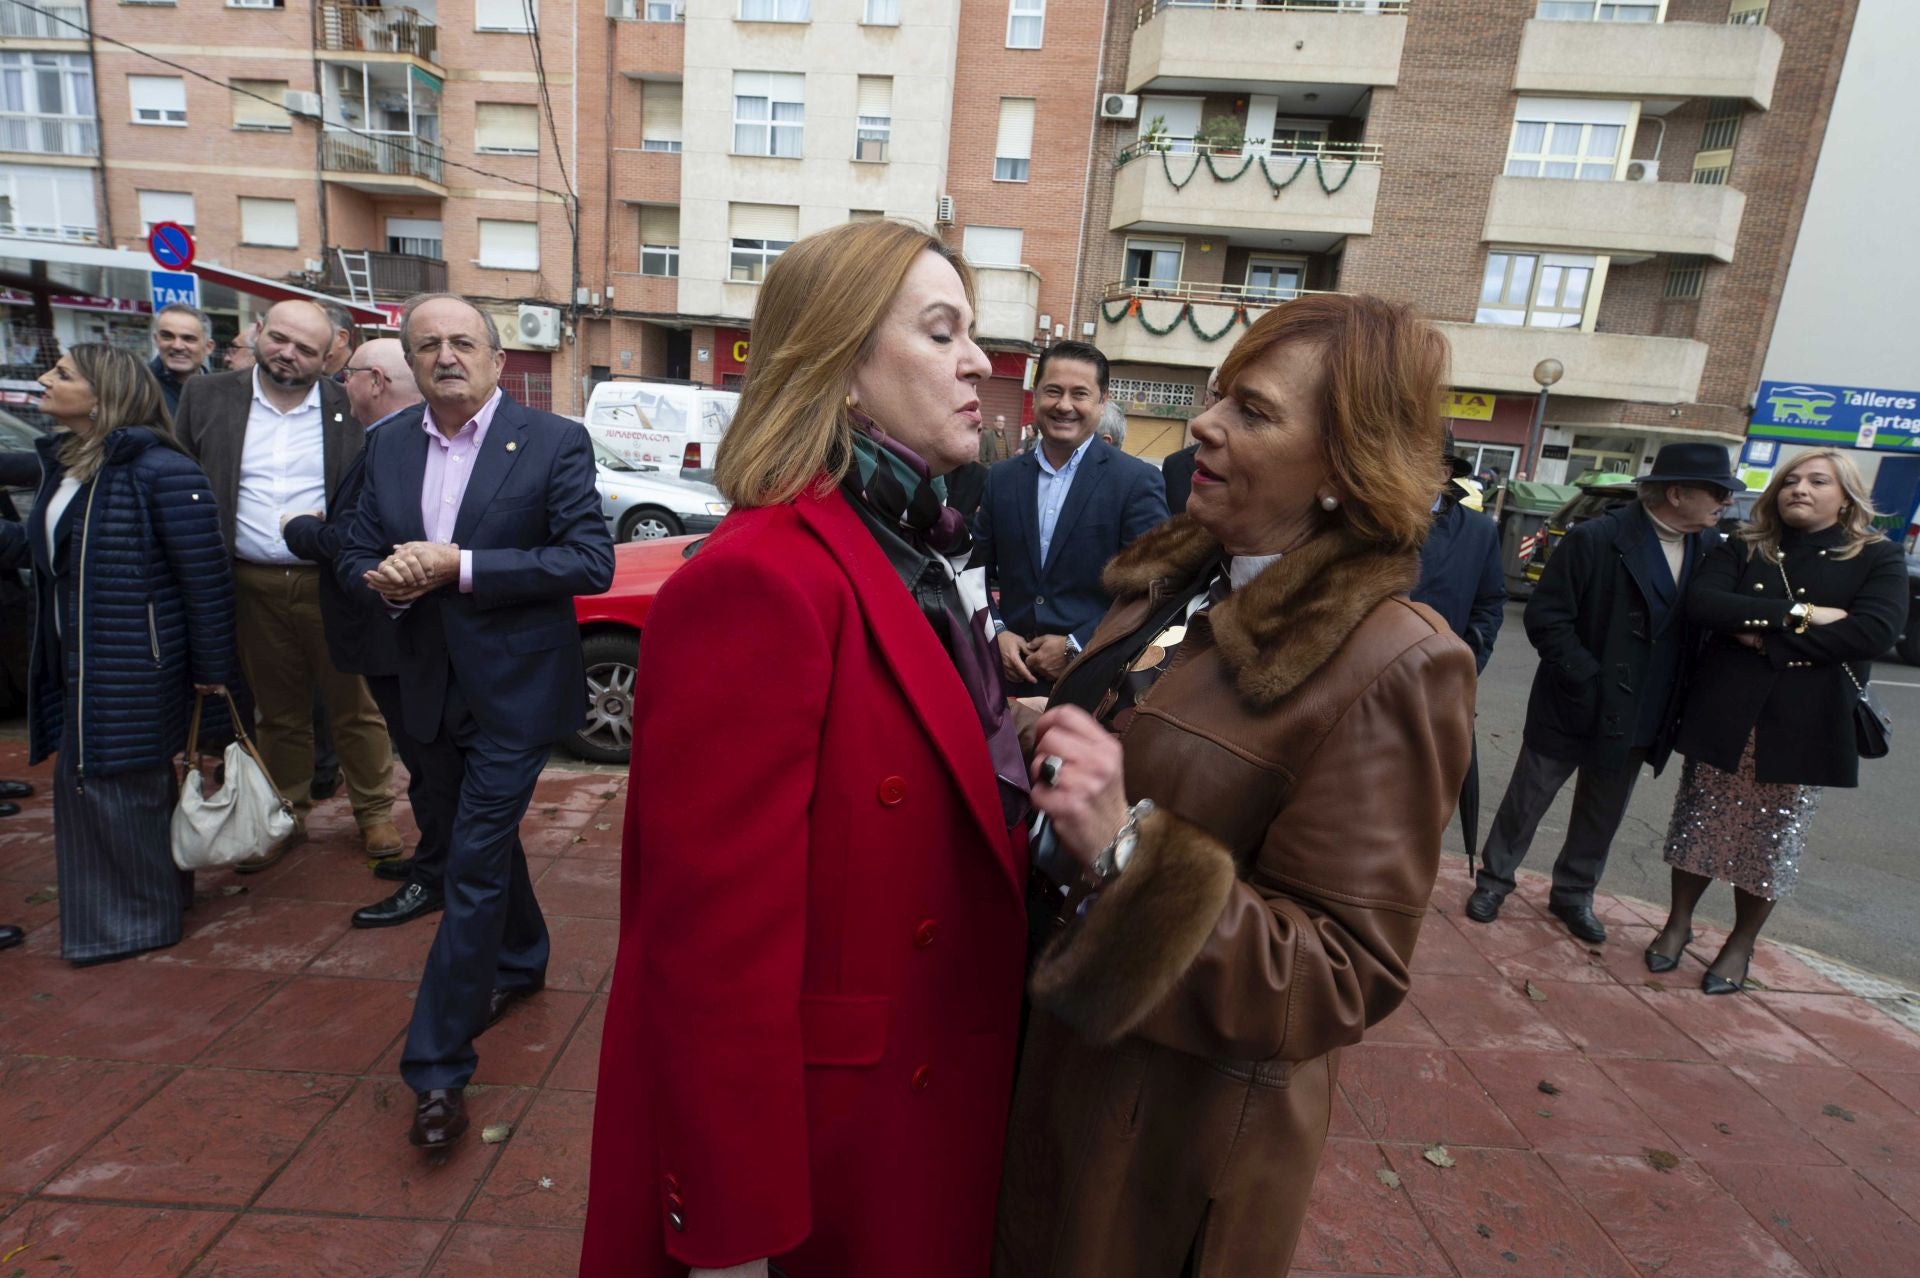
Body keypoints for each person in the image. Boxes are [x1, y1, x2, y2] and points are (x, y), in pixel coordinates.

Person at [581, 221, 1032, 1278]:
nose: (980, 362)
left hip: (918, 1090)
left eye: (975, 332)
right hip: (826, 1153)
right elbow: (709, 955)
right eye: (941, 331)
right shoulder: (763, 577)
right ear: (840, 369)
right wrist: (734, 1241)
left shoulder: (914, 535)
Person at [991, 295, 1476, 1277]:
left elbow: (1346, 973)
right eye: (1219, 397)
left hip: (1161, 1147)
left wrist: (1128, 851)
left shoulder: (1395, 663)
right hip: (1048, 1079)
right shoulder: (1181, 577)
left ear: (1345, 466)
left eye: (1252, 411)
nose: (1206, 423)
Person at [338, 292, 612, 1151]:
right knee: (475, 838)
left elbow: (588, 560)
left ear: (498, 360)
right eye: (428, 345)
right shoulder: (383, 445)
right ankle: (522, 959)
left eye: (463, 342)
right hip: (422, 683)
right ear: (408, 366)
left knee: (470, 861)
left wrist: (460, 567)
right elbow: (344, 546)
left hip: (517, 690)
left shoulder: (553, 441)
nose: (446, 356)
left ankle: (436, 1070)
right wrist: (375, 574)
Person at [0, 345, 234, 964]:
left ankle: (134, 924)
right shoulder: (69, 465)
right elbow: (47, 555)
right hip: (74, 659)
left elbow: (205, 580)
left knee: (119, 788)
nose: (46, 380)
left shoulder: (162, 469)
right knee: (99, 785)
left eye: (63, 374)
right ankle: (136, 912)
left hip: (136, 666)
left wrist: (213, 680)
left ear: (102, 395)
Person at [1646, 451, 1903, 993]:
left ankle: (1740, 944)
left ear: (1847, 495)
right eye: (1789, 480)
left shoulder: (1876, 555)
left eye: (1816, 481)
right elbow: (1705, 603)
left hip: (1806, 722)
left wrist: (1764, 641)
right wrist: (1799, 617)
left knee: (1771, 842)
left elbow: (1874, 632)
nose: (1799, 489)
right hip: (1729, 711)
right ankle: (1677, 924)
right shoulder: (1746, 543)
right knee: (1698, 824)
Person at [1466, 443, 1739, 943]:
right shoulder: (1596, 538)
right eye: (1718, 492)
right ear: (1677, 494)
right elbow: (1547, 616)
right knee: (1529, 798)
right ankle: (1493, 882)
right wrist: (1586, 678)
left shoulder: (1713, 549)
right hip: (1574, 699)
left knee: (1604, 810)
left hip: (1644, 710)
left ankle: (1573, 894)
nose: (1725, 501)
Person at [174, 299, 401, 869]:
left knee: (356, 705)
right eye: (279, 338)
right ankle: (286, 813)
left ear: (331, 356)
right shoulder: (208, 397)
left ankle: (374, 813)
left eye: (305, 349)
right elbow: (183, 480)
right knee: (276, 711)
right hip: (248, 582)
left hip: (332, 582)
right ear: (257, 332)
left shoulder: (346, 405)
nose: (287, 354)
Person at [282, 338, 448, 929]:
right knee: (424, 760)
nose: (341, 385)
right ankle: (436, 861)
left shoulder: (399, 445)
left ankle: (437, 875)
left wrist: (303, 530)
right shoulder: (394, 440)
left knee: (427, 763)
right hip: (393, 634)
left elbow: (365, 544)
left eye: (347, 375)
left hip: (394, 632)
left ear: (374, 380)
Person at [971, 341, 1168, 694]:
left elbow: (1152, 588)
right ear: (1036, 395)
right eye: (1053, 391)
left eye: (1079, 394)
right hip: (1006, 680)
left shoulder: (1136, 481)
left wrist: (1077, 644)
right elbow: (974, 573)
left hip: (1092, 683)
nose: (1064, 405)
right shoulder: (1002, 478)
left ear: (1101, 400)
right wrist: (996, 632)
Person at [1413, 435, 1506, 852]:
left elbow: (1489, 604)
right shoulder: (1365, 517)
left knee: (1425, 803)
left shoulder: (1479, 532)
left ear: (1445, 473)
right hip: (1360, 685)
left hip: (1439, 688)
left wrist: (1469, 660)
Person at [1159, 368, 1218, 515]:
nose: (1225, 408)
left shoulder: (1266, 471)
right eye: (1219, 396)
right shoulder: (1174, 466)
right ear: (1206, 399)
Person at [148, 303, 217, 415]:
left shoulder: (221, 392)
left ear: (208, 347)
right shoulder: (137, 387)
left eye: (189, 339)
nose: (177, 346)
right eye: (167, 336)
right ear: (156, 340)